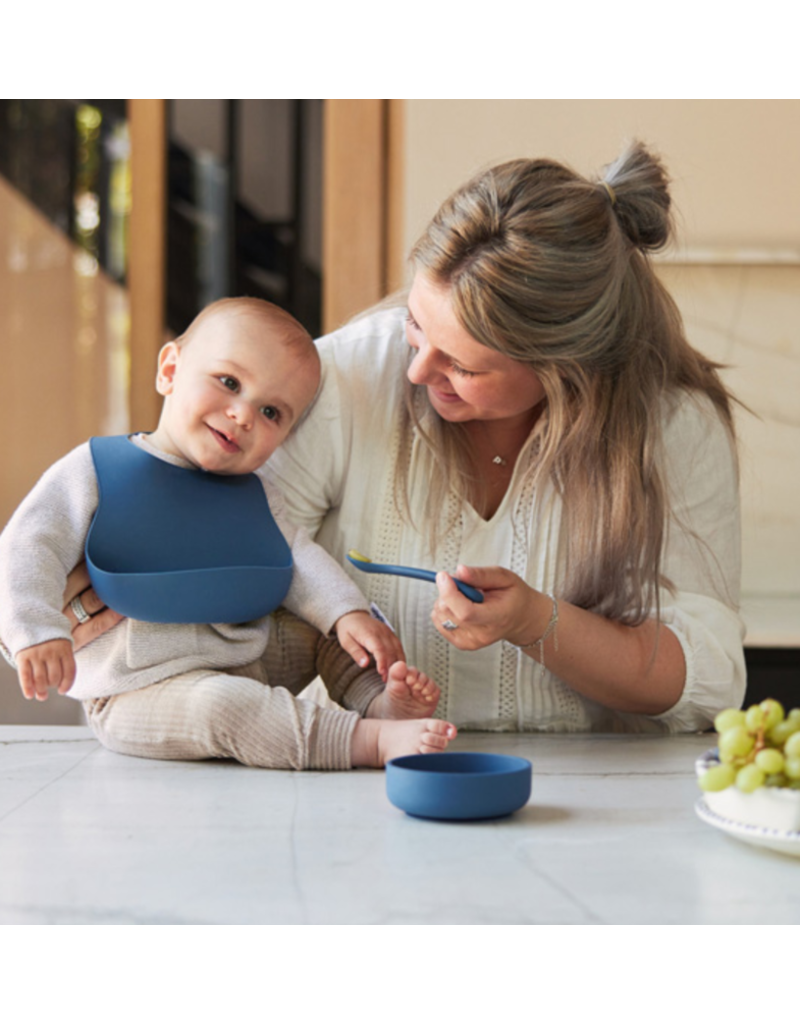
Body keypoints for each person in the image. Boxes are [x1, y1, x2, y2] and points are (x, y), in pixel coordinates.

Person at [263, 141, 745, 733]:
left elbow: (709, 681)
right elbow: (243, 548)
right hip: (358, 772)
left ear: (566, 369)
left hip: (600, 793)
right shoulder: (349, 375)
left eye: (464, 368)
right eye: (416, 324)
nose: (416, 373)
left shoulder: (672, 426)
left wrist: (536, 623)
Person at [0, 298, 456, 768]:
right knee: (222, 706)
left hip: (244, 657)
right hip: (137, 690)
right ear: (170, 370)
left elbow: (297, 557)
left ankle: (377, 701)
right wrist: (36, 631)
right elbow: (30, 543)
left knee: (323, 628)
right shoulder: (94, 470)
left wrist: (347, 615)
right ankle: (363, 741)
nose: (243, 415)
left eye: (272, 413)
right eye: (230, 383)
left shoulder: (256, 494)